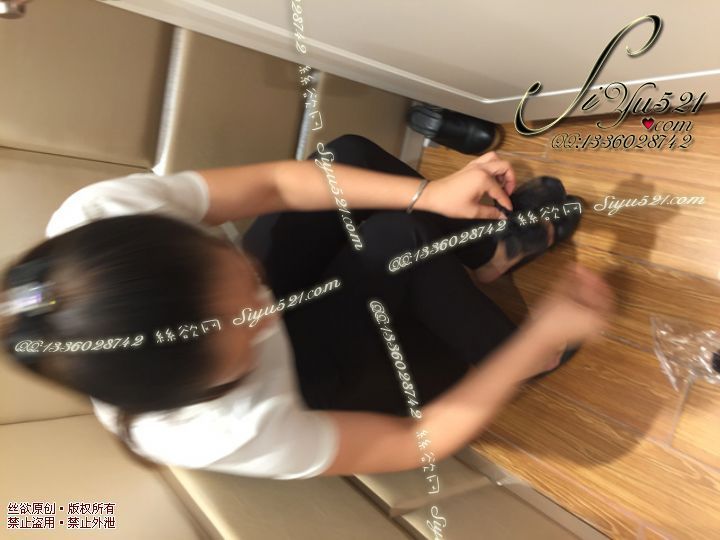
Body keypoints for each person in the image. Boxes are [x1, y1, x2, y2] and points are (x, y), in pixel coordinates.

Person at [0, 134, 613, 479]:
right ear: (207, 386)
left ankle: (486, 246)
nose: (264, 303)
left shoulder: (103, 218)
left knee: (348, 156)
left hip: (236, 341)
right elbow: (410, 443)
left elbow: (274, 185)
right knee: (397, 242)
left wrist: (434, 192)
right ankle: (523, 352)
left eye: (240, 272)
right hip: (309, 386)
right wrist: (525, 351)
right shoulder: (215, 429)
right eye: (246, 328)